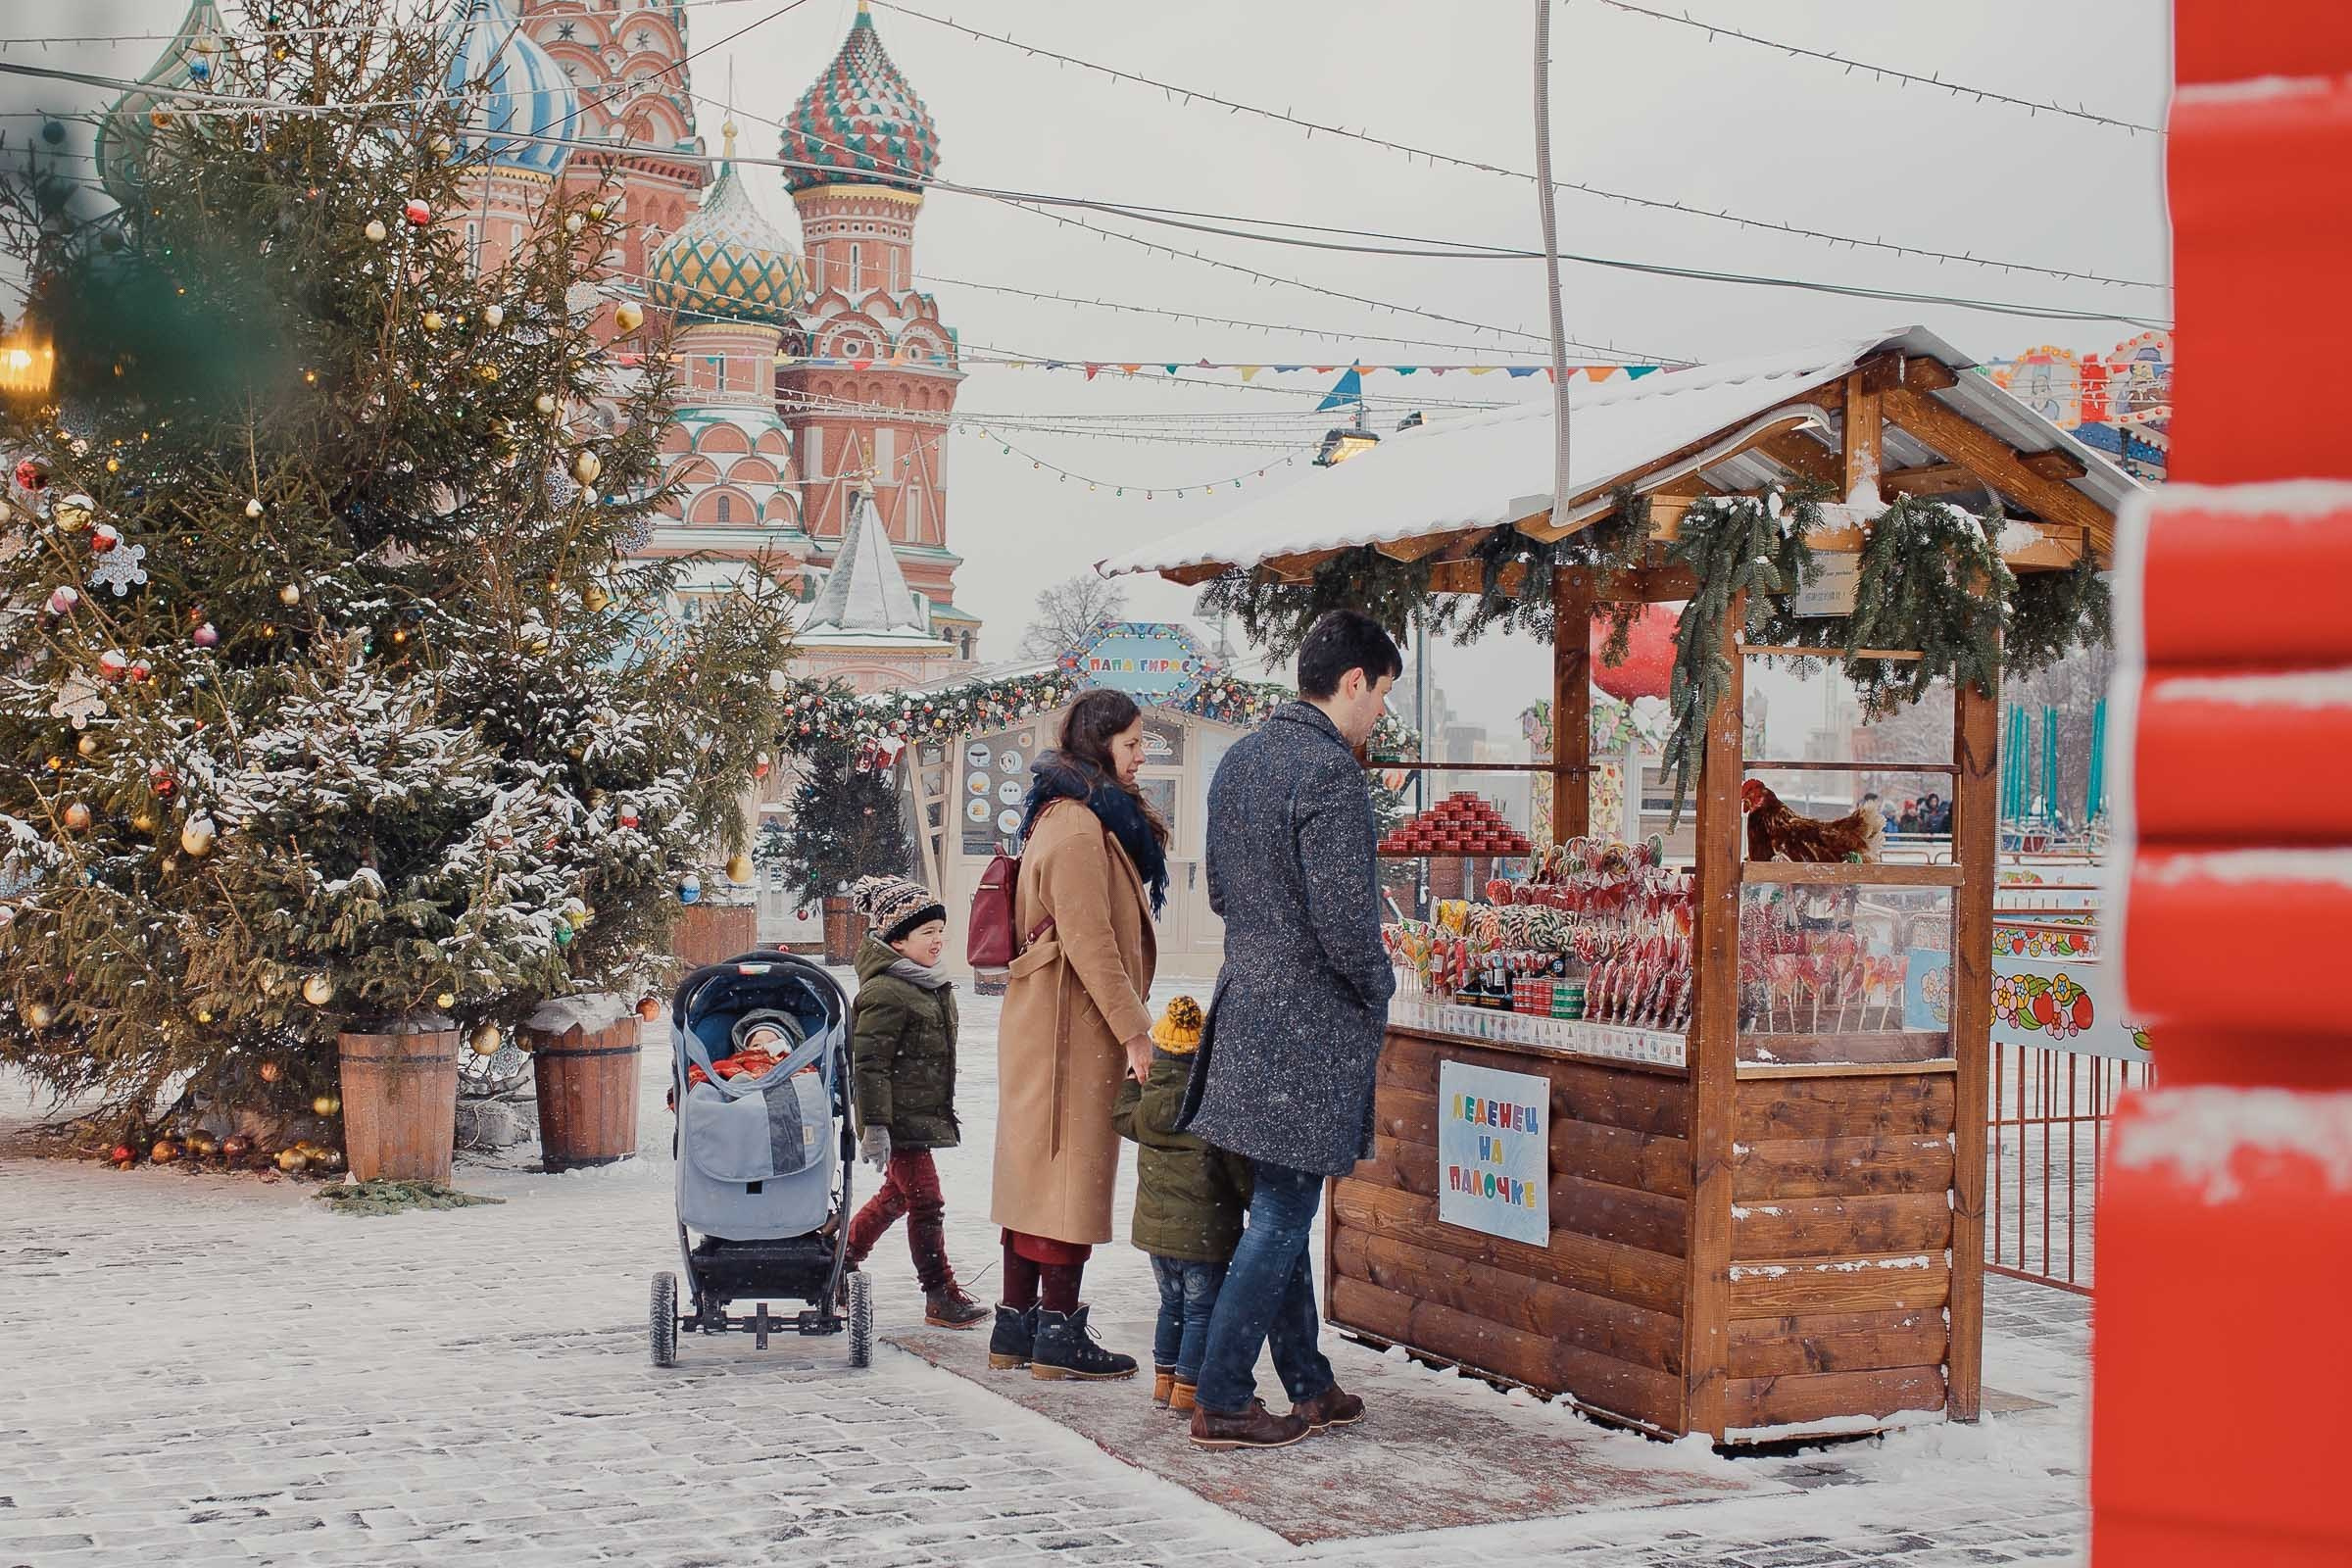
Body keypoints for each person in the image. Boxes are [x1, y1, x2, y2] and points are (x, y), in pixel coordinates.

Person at [1178, 609, 1402, 1450]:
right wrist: (1377, 984)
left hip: (1246, 1009)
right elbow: (1347, 924)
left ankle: (1308, 1383)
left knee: (1282, 1201)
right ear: (1354, 682)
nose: (1380, 712)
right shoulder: (1329, 772)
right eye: (1380, 694)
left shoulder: (1242, 758)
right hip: (1308, 1027)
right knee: (1281, 1212)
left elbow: (1225, 895)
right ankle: (1226, 1396)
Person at [989, 687, 1167, 1382]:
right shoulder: (1077, 827)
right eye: (1131, 743)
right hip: (1071, 1026)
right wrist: (1135, 1032)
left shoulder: (1073, 815)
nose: (1141, 756)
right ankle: (1056, 1333)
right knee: (1065, 1175)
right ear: (1100, 746)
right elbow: (1092, 944)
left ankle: (1017, 1325)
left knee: (1038, 1173)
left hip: (1055, 1021)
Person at [842, 875, 990, 1329]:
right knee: (926, 1201)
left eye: (940, 930)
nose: (938, 940)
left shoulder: (925, 984)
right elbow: (868, 1065)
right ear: (897, 939)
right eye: (927, 932)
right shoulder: (886, 991)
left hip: (917, 1115)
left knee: (897, 1195)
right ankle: (939, 1293)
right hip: (898, 1120)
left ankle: (840, 1257)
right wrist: (876, 1127)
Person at [1113, 995, 1250, 1416]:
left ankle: (1164, 1379)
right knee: (1200, 1309)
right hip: (1204, 1234)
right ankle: (1189, 1386)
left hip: (1157, 1235)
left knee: (1171, 1305)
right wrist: (1253, 1200)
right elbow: (1236, 1171)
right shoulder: (1211, 1106)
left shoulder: (1148, 1106)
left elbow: (1120, 1116)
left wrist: (1133, 1078)